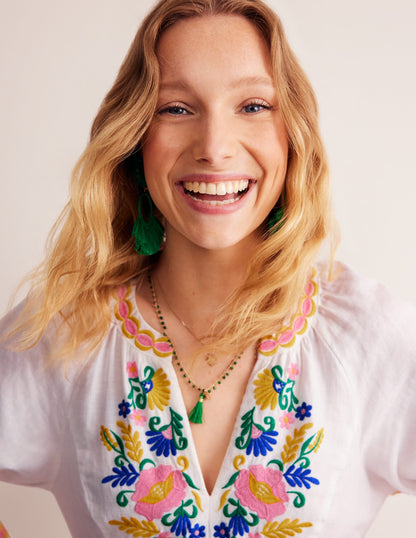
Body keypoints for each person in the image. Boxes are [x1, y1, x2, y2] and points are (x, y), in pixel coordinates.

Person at [0, 0, 415, 536]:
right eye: (176, 108)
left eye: (253, 105)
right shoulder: (67, 333)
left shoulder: (364, 337)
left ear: (292, 134)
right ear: (135, 137)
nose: (215, 148)